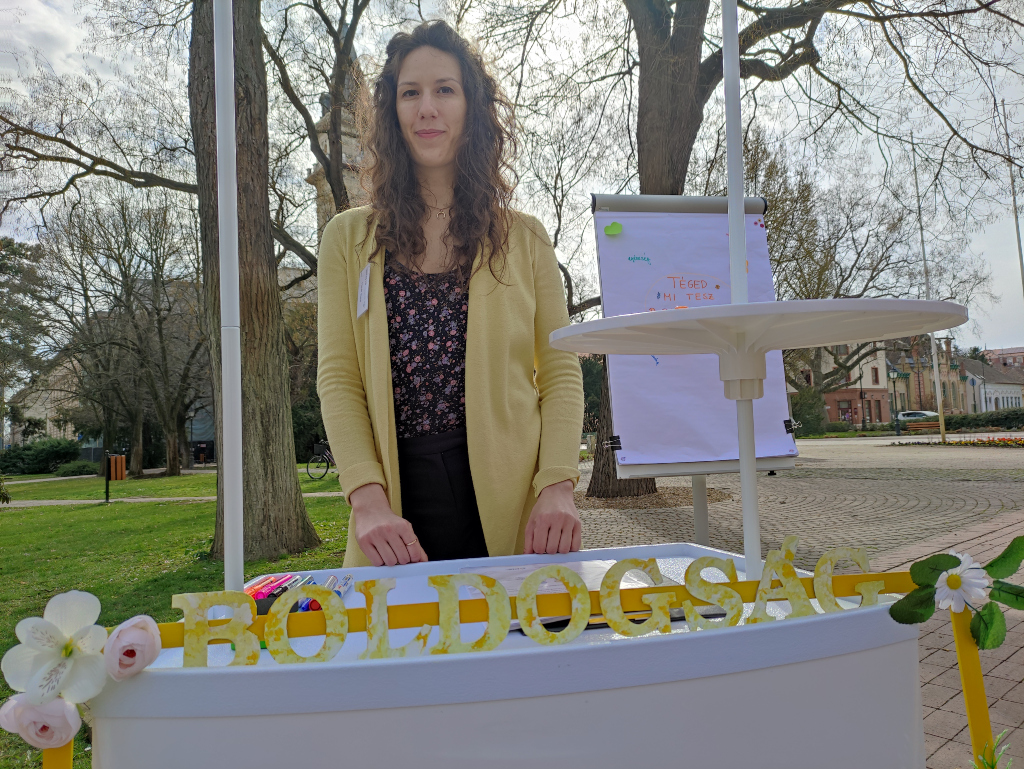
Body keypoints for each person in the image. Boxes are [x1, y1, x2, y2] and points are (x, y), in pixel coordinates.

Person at [317, 20, 585, 568]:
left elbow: (559, 371)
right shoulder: (348, 239)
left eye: (445, 89)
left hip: (513, 506)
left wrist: (557, 484)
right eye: (409, 93)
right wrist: (366, 499)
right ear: (392, 111)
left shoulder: (525, 238)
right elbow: (339, 378)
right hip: (393, 513)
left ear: (472, 106)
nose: (427, 108)